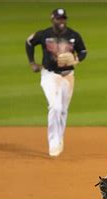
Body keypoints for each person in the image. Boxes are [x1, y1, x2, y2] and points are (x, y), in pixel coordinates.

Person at [25, 8, 87, 157]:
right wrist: (32, 63)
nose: (61, 21)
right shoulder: (44, 34)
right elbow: (29, 42)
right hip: (50, 75)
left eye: (63, 18)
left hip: (68, 76)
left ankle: (59, 138)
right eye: (58, 18)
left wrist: (77, 59)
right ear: (53, 19)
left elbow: (83, 51)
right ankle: (53, 142)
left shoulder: (73, 35)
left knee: (63, 110)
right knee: (55, 107)